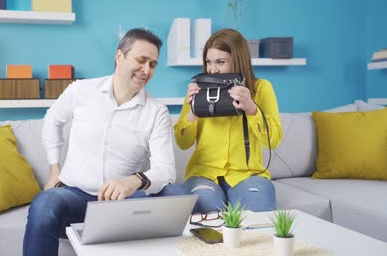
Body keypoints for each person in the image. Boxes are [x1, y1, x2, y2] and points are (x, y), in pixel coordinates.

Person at [23, 28, 185, 256]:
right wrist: (54, 169)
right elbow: (52, 120)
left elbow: (166, 170)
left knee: (176, 193)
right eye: (141, 60)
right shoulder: (81, 90)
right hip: (74, 196)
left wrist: (134, 181)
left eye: (153, 64)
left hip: (122, 204)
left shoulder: (156, 111)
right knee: (45, 203)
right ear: (120, 57)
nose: (146, 70)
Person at [174, 29, 283, 214]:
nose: (212, 70)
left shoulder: (261, 89)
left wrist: (252, 109)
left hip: (248, 175)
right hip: (203, 175)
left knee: (257, 214)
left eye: (221, 62)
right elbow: (182, 143)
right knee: (207, 210)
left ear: (238, 60)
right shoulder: (198, 89)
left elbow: (273, 141)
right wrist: (193, 111)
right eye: (208, 62)